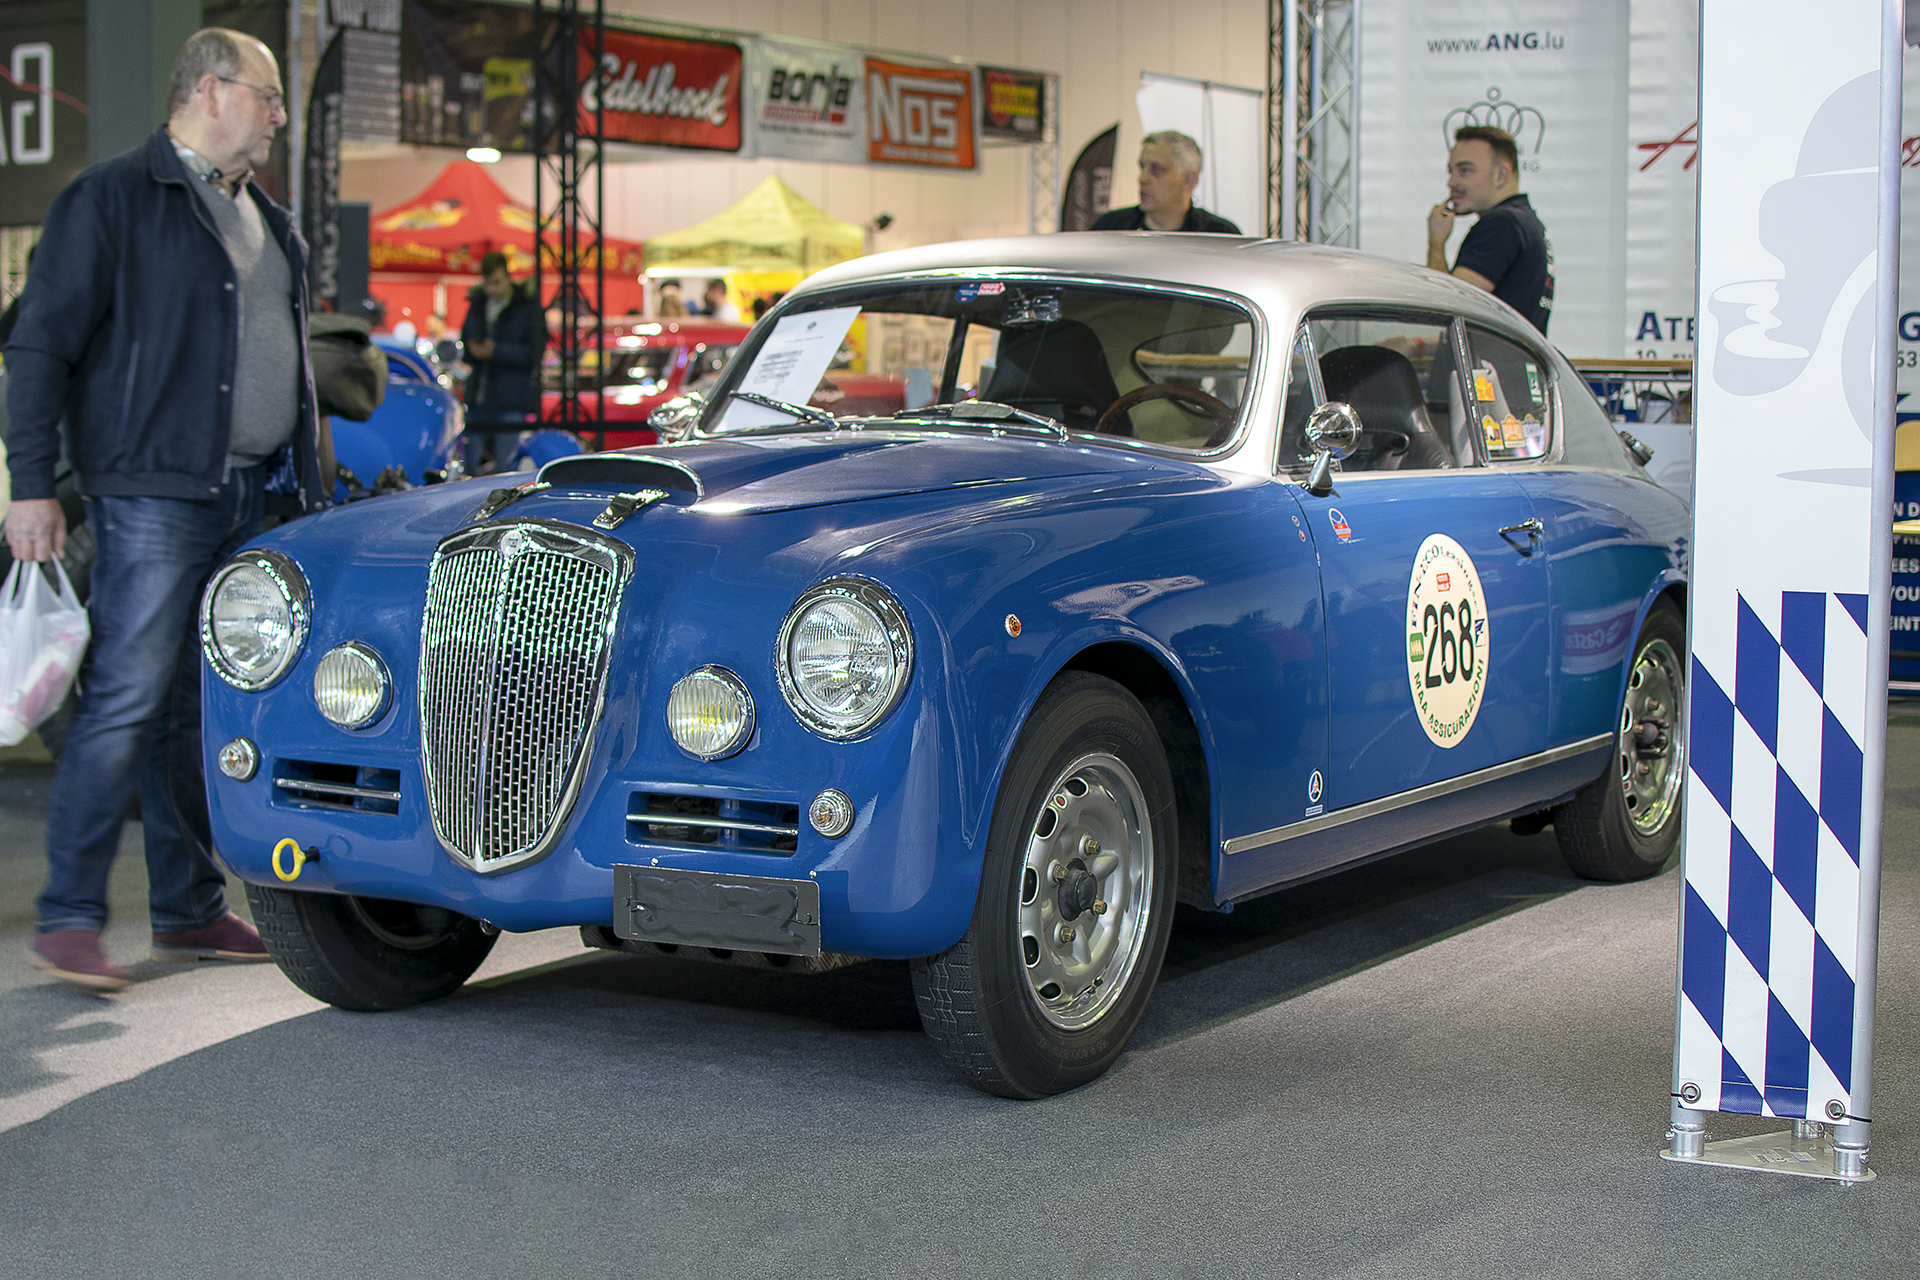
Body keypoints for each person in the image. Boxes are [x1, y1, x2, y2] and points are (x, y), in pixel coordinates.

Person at [4, 27, 331, 991]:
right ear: (208, 90)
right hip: (152, 490)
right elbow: (38, 351)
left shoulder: (266, 220)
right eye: (268, 97)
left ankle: (189, 911)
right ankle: (68, 915)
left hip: (252, 494)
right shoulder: (111, 199)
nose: (278, 117)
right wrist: (31, 486)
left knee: (197, 706)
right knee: (128, 695)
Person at [1425, 125, 1554, 334]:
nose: (1451, 182)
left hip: (1494, 367)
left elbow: (1447, 309)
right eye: (1451, 171)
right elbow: (1486, 335)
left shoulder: (1502, 225)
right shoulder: (1526, 222)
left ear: (1501, 175)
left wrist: (1436, 243)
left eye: (1465, 170)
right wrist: (1417, 345)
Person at [459, 250, 547, 473]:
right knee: (469, 465)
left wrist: (495, 351)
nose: (492, 289)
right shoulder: (478, 304)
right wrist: (473, 349)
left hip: (510, 400)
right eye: (488, 283)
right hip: (478, 397)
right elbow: (465, 341)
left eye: (497, 283)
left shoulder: (527, 307)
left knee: (505, 467)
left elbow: (533, 354)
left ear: (508, 277)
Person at [1090, 131, 1241, 233]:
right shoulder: (1109, 230)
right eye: (1142, 167)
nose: (1142, 178)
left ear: (1189, 179)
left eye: (1156, 170)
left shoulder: (1219, 237)